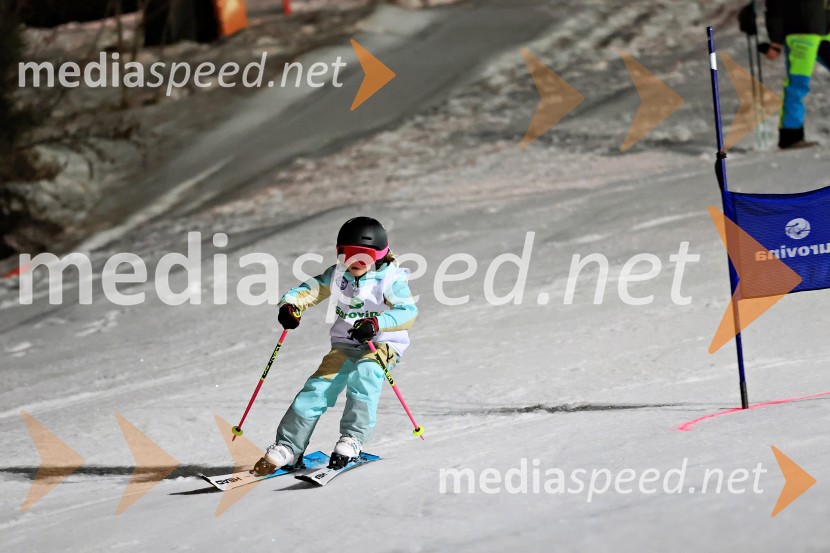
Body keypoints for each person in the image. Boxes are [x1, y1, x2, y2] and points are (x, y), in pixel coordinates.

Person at [253, 217, 418, 474]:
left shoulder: (390, 279)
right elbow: (312, 289)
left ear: (379, 256)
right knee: (317, 388)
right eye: (346, 255)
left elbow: (408, 312)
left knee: (366, 374)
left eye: (362, 257)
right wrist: (290, 305)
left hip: (382, 345)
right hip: (345, 344)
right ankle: (288, 447)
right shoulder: (339, 275)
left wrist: (377, 323)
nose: (354, 263)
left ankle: (352, 439)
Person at [764, 0, 830, 148]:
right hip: (801, 31)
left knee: (798, 83)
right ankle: (791, 135)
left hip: (824, 28)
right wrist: (775, 40)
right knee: (798, 83)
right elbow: (775, 5)